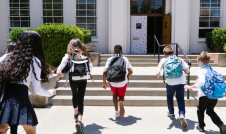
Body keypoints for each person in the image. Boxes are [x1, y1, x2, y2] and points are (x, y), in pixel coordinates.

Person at [0, 30, 56, 134]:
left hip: (4, 102)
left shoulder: (6, 57)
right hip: (22, 102)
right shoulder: (34, 61)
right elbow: (37, 89)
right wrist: (50, 93)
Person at [57, 39, 93, 134]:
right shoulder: (84, 54)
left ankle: (75, 113)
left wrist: (59, 72)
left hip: (73, 78)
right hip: (83, 78)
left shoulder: (68, 55)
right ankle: (79, 121)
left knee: (74, 94)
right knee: (81, 98)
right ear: (81, 45)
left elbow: (61, 66)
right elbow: (91, 68)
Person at [184, 51, 226, 133]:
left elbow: (201, 82)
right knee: (210, 111)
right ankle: (221, 124)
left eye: (197, 62)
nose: (197, 64)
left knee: (200, 110)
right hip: (214, 95)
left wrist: (190, 87)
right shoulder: (211, 69)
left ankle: (201, 126)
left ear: (200, 61)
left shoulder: (201, 70)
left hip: (204, 95)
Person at [156, 45, 190, 128]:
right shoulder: (179, 59)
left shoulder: (164, 59)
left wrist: (158, 72)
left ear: (164, 54)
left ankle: (171, 113)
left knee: (169, 96)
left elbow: (159, 67)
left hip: (170, 83)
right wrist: (185, 73)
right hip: (181, 82)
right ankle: (181, 114)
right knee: (180, 99)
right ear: (173, 53)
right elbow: (188, 69)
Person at [102, 45, 133, 118]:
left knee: (114, 95)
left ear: (113, 52)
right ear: (122, 52)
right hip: (122, 81)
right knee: (121, 96)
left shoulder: (110, 59)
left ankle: (116, 112)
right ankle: (121, 102)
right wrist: (127, 78)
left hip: (112, 81)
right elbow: (131, 71)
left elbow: (104, 71)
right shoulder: (125, 59)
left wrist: (104, 83)